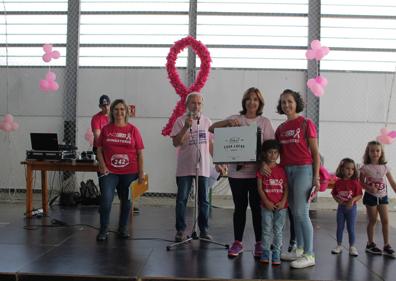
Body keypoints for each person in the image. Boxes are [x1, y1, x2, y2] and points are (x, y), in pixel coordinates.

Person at [209, 87, 274, 258]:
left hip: (257, 174)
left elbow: (271, 148)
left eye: (255, 99)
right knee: (239, 208)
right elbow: (212, 128)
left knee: (256, 209)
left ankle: (259, 243)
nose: (252, 102)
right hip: (236, 174)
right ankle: (238, 242)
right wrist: (227, 124)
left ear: (260, 103)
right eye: (249, 99)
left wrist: (263, 163)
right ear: (244, 101)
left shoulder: (264, 122)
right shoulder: (234, 119)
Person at [271, 89, 320, 269]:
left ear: (296, 103)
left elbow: (315, 153)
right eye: (283, 102)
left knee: (301, 213)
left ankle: (309, 254)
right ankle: (299, 250)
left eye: (289, 101)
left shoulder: (306, 123)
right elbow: (275, 153)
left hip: (303, 170)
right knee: (294, 213)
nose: (286, 105)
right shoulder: (280, 129)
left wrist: (315, 177)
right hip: (286, 171)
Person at [96, 99, 145, 241]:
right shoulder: (106, 129)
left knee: (127, 201)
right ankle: (103, 230)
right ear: (112, 112)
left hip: (130, 172)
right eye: (116, 109)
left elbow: (140, 153)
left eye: (122, 109)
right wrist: (103, 165)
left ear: (126, 112)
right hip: (109, 172)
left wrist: (141, 172)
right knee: (106, 199)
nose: (119, 112)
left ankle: (122, 229)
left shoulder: (133, 130)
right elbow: (99, 150)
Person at [170, 92, 213, 242]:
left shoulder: (207, 122)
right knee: (181, 199)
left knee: (204, 200)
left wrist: (220, 163)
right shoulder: (180, 121)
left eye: (199, 103)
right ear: (187, 105)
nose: (196, 106)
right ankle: (180, 230)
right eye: (193, 103)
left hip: (203, 167)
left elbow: (211, 144)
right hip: (184, 167)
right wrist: (185, 128)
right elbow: (176, 143)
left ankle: (203, 229)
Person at [360, 140, 396, 258]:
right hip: (371, 197)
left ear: (381, 152)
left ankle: (386, 245)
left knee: (385, 221)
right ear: (368, 152)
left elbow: (391, 182)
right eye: (372, 151)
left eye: (377, 150)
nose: (375, 153)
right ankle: (370, 244)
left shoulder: (385, 167)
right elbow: (361, 183)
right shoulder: (365, 168)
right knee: (373, 220)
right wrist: (369, 188)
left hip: (383, 196)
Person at [257, 139, 288, 265]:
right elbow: (259, 188)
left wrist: (283, 202)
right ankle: (265, 253)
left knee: (278, 230)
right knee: (266, 229)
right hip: (266, 206)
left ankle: (276, 253)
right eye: (270, 152)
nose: (273, 155)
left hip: (281, 206)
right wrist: (266, 202)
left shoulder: (282, 169)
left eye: (275, 152)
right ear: (264, 154)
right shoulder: (262, 170)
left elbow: (286, 188)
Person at [331, 158, 363, 256]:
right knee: (340, 227)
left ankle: (352, 246)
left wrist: (352, 200)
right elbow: (334, 193)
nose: (350, 171)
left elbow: (360, 195)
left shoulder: (355, 183)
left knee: (351, 228)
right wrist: (337, 200)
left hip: (351, 209)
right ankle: (339, 245)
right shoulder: (338, 182)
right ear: (342, 169)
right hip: (341, 209)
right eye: (347, 168)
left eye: (352, 169)